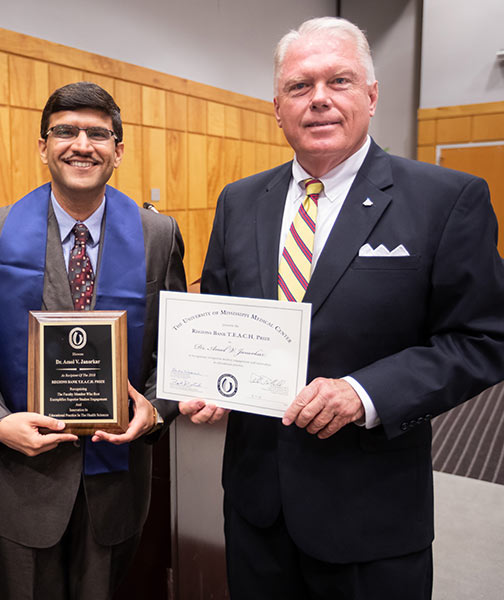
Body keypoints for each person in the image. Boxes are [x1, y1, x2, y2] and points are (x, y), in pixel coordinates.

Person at [181, 16, 504, 600]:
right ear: (277, 107)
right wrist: (209, 382)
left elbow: (481, 338)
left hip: (370, 511)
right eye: (299, 87)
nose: (319, 100)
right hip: (257, 505)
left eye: (340, 81)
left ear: (372, 96)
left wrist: (364, 393)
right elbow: (222, 315)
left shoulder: (446, 200)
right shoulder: (240, 201)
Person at [0, 81, 186, 599]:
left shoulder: (157, 235)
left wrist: (158, 408)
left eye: (98, 133)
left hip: (116, 476)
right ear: (42, 146)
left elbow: (175, 352)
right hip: (20, 477)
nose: (82, 144)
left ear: (118, 151)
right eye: (65, 131)